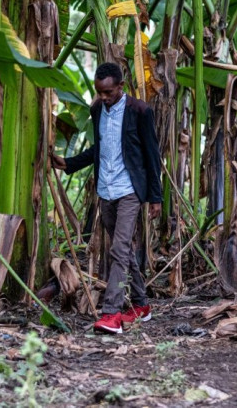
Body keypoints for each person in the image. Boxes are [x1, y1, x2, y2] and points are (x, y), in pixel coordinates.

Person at [51, 62, 162, 334]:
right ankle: (141, 304)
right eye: (100, 92)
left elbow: (152, 156)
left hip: (129, 190)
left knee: (119, 249)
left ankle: (111, 313)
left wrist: (156, 198)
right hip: (106, 190)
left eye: (108, 92)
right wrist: (69, 163)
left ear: (121, 87)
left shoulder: (140, 111)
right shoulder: (97, 109)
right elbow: (98, 150)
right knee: (122, 249)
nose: (103, 97)